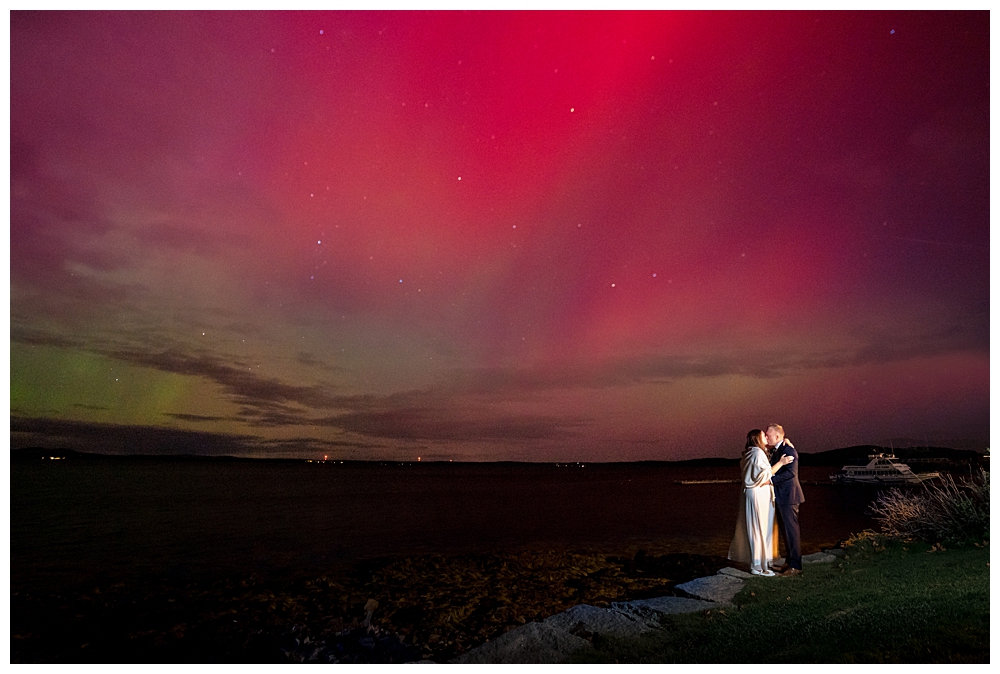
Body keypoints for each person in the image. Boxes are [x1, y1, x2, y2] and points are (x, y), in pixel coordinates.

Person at [728, 429, 794, 576]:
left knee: (759, 528)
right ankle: (757, 566)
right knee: (759, 528)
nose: (766, 436)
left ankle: (762, 564)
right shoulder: (757, 453)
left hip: (756, 494)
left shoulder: (752, 453)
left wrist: (787, 443)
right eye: (764, 434)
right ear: (757, 438)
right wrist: (782, 463)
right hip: (758, 495)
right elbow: (764, 475)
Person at [766, 423, 805, 576]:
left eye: (768, 435)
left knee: (792, 531)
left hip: (789, 496)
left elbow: (791, 474)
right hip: (782, 497)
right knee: (786, 532)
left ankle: (796, 566)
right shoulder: (779, 449)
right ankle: (789, 562)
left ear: (777, 436)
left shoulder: (789, 450)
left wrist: (770, 480)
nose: (767, 437)